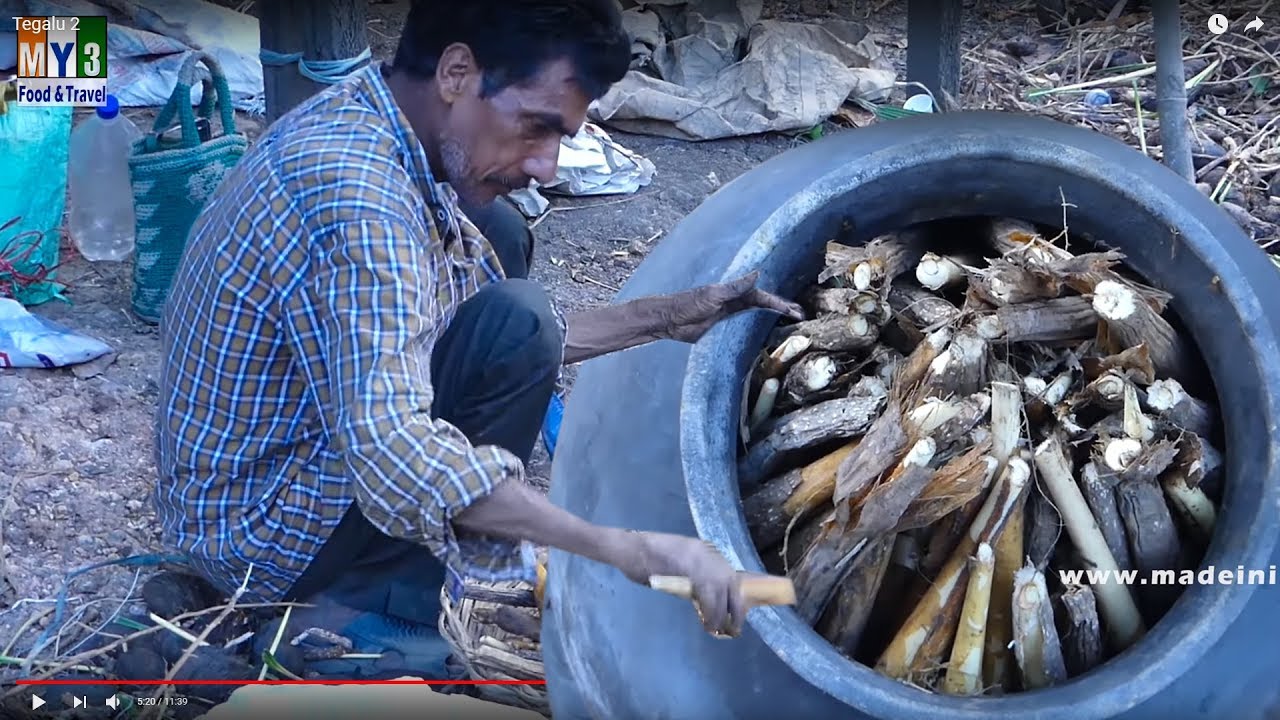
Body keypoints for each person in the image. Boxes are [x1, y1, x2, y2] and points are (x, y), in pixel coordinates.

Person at [153, 0, 803, 680]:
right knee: (514, 313)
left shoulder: (379, 117)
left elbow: (454, 326)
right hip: (255, 535)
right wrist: (623, 549)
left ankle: (381, 585)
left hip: (278, 457)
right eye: (536, 127)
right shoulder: (359, 200)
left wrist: (669, 317)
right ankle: (354, 616)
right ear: (457, 71)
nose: (548, 166)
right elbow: (395, 454)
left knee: (497, 244)